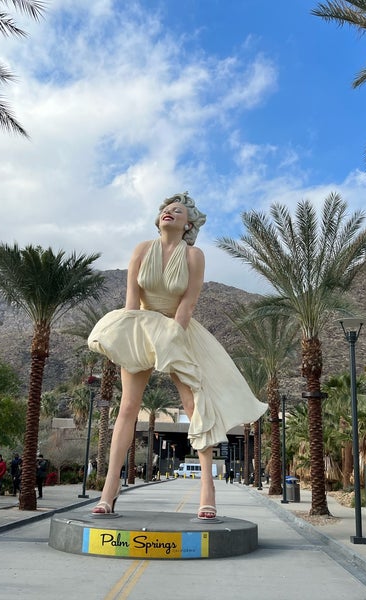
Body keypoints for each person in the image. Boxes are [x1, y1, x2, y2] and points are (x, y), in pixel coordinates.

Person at [88, 192, 268, 519]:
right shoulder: (142, 250)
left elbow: (189, 302)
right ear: (159, 219)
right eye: (166, 209)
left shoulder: (194, 256)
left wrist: (173, 334)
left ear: (188, 224)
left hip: (177, 329)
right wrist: (126, 337)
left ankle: (207, 490)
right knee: (128, 406)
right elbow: (132, 301)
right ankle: (109, 489)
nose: (169, 213)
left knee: (193, 405)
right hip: (142, 326)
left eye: (178, 211)